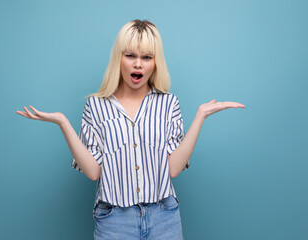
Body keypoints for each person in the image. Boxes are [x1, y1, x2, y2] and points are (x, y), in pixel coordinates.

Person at [16, 19, 245, 240]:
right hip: (114, 222)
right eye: (131, 56)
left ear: (156, 62)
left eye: (146, 57)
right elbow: (93, 172)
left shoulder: (169, 104)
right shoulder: (96, 106)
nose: (138, 64)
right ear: (119, 58)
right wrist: (63, 123)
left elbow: (173, 169)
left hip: (164, 217)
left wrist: (200, 117)